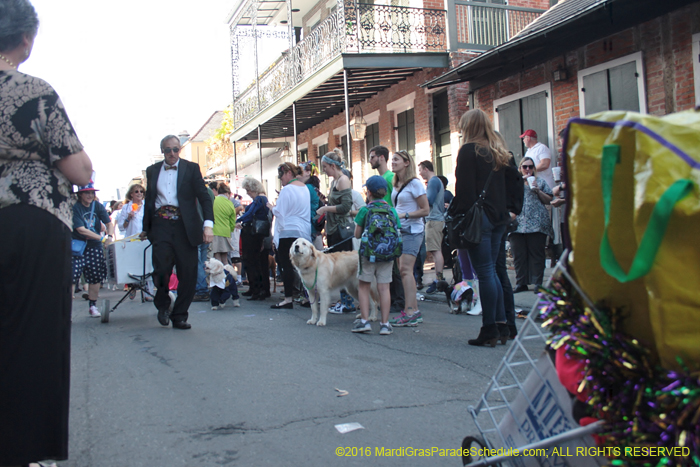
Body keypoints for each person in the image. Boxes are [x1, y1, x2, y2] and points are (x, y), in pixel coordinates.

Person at [0, 3, 93, 463]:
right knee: (35, 338)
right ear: (24, 40)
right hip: (31, 219)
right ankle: (25, 450)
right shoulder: (34, 91)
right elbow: (77, 168)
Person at [140, 135, 214, 330]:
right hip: (161, 225)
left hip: (185, 227)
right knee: (161, 271)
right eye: (167, 150)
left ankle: (179, 315)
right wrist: (145, 228)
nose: (172, 154)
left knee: (188, 274)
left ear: (179, 150)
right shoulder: (153, 170)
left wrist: (208, 225)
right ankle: (163, 304)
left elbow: (204, 198)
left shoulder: (191, 169)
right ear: (162, 151)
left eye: (175, 149)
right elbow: (149, 200)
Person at [453, 109, 512, 346]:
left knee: (485, 272)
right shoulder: (497, 151)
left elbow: (464, 190)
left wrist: (458, 215)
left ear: (470, 127)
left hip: (480, 219)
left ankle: (490, 329)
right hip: (498, 217)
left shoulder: (469, 151)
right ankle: (500, 324)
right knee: (492, 272)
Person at [352, 175, 401, 335]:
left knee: (364, 286)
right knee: (384, 288)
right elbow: (398, 231)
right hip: (387, 255)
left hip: (368, 254)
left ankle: (365, 321)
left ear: (369, 193)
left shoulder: (365, 210)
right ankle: (385, 324)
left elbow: (357, 234)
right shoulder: (392, 211)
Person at [388, 150, 429, 327]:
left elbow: (425, 210)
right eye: (392, 160)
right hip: (399, 231)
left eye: (396, 159)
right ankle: (411, 310)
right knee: (403, 270)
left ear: (406, 163)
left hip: (413, 231)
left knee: (405, 270)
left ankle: (411, 311)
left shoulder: (415, 184)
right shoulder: (396, 183)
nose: (393, 162)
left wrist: (404, 216)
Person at [509, 156, 554, 293]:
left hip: (537, 223)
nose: (527, 169)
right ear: (520, 168)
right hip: (518, 224)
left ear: (534, 169)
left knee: (537, 254)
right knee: (519, 255)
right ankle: (521, 282)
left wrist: (537, 190)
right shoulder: (514, 183)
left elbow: (549, 199)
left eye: (530, 167)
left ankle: (537, 283)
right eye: (525, 167)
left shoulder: (540, 182)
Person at [269, 162, 310, 309]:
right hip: (304, 231)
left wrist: (271, 207)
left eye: (281, 176)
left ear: (288, 173)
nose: (281, 180)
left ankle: (288, 299)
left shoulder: (287, 190)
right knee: (304, 265)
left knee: (286, 266)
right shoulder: (304, 188)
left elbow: (280, 212)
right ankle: (308, 297)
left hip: (289, 231)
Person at [369, 144, 404, 313]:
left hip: (390, 226)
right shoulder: (378, 179)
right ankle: (389, 300)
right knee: (386, 266)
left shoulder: (391, 177)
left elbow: (397, 201)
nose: (370, 160)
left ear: (381, 157)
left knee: (395, 266)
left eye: (372, 157)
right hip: (379, 228)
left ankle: (399, 300)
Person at [71, 181, 114, 317]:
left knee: (95, 277)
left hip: (93, 247)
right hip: (78, 246)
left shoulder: (97, 206)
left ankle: (93, 306)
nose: (90, 195)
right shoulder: (75, 208)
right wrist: (101, 238)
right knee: (72, 276)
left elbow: (108, 222)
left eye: (92, 193)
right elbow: (81, 229)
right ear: (80, 195)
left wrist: (110, 236)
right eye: (86, 193)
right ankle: (67, 310)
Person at [237, 177, 270, 301]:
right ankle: (258, 289)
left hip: (252, 235)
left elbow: (250, 214)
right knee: (256, 262)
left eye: (248, 190)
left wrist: (237, 221)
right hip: (258, 234)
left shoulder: (258, 200)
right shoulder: (263, 199)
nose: (247, 193)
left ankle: (256, 289)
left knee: (251, 262)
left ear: (253, 189)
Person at [317, 149, 353, 253]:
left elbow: (346, 207)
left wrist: (325, 208)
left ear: (333, 166)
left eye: (325, 166)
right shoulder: (334, 181)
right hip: (332, 229)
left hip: (340, 229)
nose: (323, 170)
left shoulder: (343, 180)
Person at [418, 160, 446, 294]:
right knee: (436, 250)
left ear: (426, 169)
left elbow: (428, 201)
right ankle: (438, 279)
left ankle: (438, 280)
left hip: (434, 220)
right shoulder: (435, 182)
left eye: (420, 170)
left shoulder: (433, 182)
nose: (419, 173)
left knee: (435, 251)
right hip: (435, 219)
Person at [212, 182, 237, 266]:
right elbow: (232, 222)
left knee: (217, 258)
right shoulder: (230, 204)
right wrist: (230, 230)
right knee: (225, 259)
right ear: (227, 193)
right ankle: (227, 277)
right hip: (226, 233)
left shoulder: (214, 201)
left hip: (214, 232)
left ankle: (220, 278)